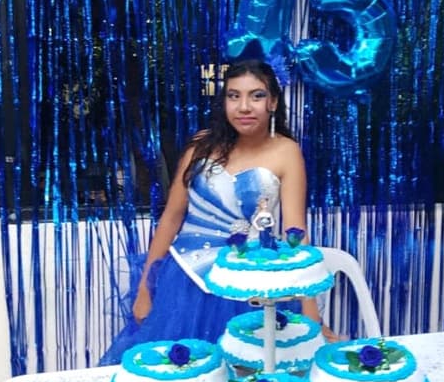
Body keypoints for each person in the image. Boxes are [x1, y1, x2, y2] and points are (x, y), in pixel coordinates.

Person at [99, 58, 327, 365]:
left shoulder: (287, 151)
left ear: (273, 102)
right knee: (181, 374)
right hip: (185, 281)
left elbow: (296, 234)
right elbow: (171, 217)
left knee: (248, 375)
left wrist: (311, 314)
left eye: (256, 96)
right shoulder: (200, 147)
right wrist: (144, 289)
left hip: (248, 285)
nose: (244, 107)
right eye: (234, 96)